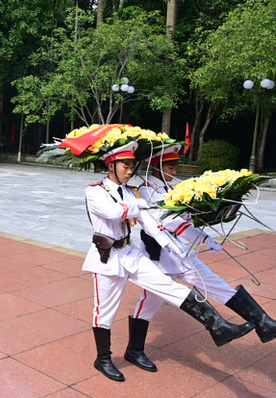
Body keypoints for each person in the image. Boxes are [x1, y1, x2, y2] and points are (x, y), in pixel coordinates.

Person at [82, 141, 253, 382]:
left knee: (168, 286)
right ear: (111, 165)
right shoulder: (95, 191)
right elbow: (113, 213)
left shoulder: (131, 193)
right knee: (105, 312)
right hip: (106, 257)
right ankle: (103, 358)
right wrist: (139, 203)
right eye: (125, 165)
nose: (130, 170)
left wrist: (176, 247)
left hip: (130, 253)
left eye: (132, 166)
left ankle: (218, 326)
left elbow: (154, 227)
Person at [127, 144, 276, 370]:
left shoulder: (171, 189)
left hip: (182, 255)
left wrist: (205, 238)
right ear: (156, 167)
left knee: (217, 284)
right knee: (149, 304)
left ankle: (264, 323)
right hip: (159, 259)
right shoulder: (146, 190)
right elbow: (166, 222)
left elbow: (183, 224)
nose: (175, 171)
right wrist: (196, 231)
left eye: (176, 167)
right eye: (170, 167)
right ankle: (134, 350)